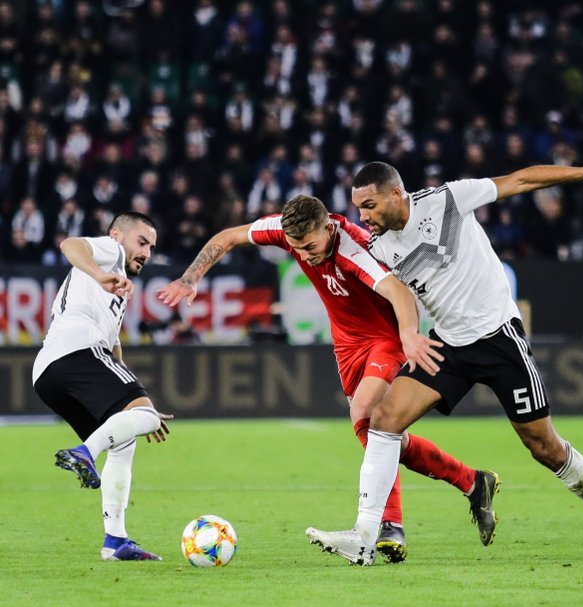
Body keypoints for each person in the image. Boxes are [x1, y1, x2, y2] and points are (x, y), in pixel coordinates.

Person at [304, 150, 583, 566]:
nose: (364, 216)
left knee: (544, 446)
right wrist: (407, 335)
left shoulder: (448, 200)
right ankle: (364, 535)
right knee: (383, 420)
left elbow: (521, 180)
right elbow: (389, 292)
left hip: (499, 338)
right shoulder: (380, 247)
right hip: (449, 345)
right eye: (358, 208)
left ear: (396, 194)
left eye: (370, 205)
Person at [157, 195, 498, 563]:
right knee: (382, 437)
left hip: (385, 336)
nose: (303, 256)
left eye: (309, 246)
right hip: (348, 345)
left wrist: (409, 336)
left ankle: (389, 524)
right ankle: (472, 481)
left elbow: (398, 293)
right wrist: (191, 277)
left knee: (368, 416)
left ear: (327, 228)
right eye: (295, 248)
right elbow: (228, 236)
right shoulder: (288, 233)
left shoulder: (352, 247)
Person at [33, 212, 171, 561]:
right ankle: (84, 453)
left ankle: (115, 541)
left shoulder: (119, 286)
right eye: (142, 242)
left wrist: (137, 407)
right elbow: (70, 244)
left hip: (48, 372)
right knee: (145, 417)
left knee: (125, 440)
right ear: (117, 234)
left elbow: (112, 350)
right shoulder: (109, 252)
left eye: (152, 247)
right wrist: (98, 273)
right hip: (77, 350)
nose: (146, 253)